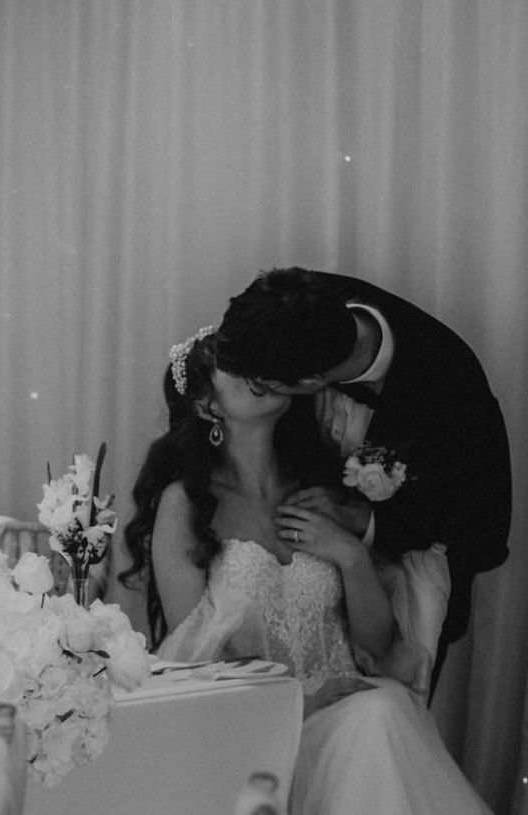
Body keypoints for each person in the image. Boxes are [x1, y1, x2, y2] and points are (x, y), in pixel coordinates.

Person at [120, 328, 492, 815]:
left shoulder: (320, 486)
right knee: (378, 716)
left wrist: (350, 555)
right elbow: (194, 666)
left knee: (381, 710)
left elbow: (380, 647)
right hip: (255, 728)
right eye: (234, 367)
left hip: (349, 706)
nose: (259, 373)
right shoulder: (186, 505)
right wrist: (300, 697)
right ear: (208, 406)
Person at [215, 267, 511, 688]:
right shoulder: (292, 309)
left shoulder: (450, 382)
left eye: (262, 386)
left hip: (408, 566)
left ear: (312, 383)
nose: (251, 390)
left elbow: (479, 523)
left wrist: (364, 523)